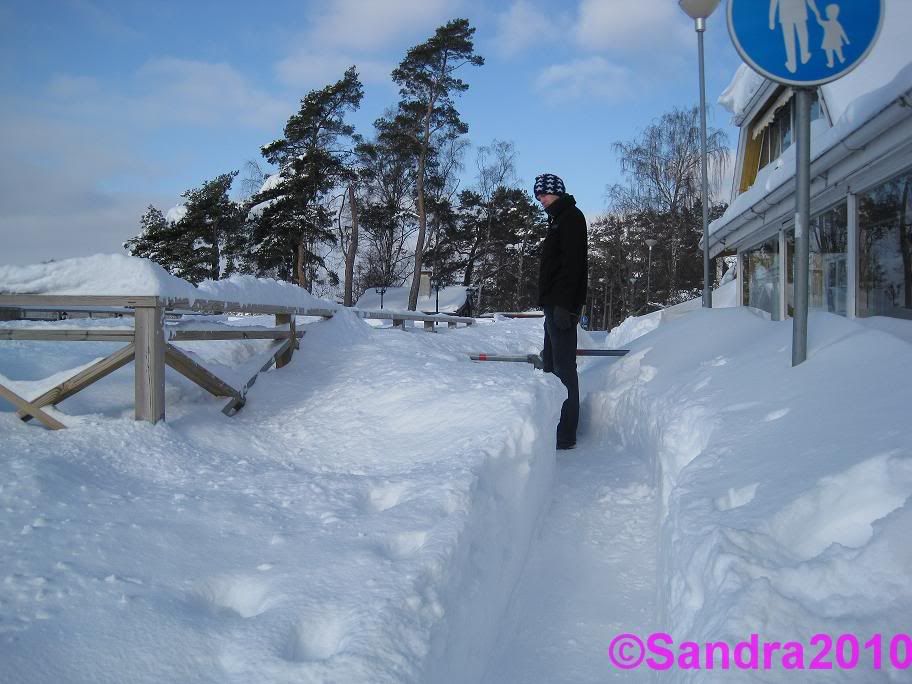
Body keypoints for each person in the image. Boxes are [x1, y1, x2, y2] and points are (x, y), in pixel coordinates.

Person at [534, 173, 588, 450]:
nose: (540, 199)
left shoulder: (571, 218)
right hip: (553, 305)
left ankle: (565, 434)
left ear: (556, 192)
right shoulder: (557, 219)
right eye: (537, 195)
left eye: (543, 194)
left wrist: (565, 306)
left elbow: (572, 266)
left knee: (564, 369)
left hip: (562, 307)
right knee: (550, 366)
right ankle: (554, 427)